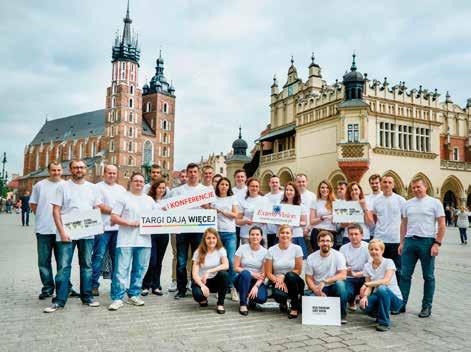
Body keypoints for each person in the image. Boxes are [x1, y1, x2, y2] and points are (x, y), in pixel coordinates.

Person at [45, 160, 103, 313]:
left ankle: (87, 297)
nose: (79, 170)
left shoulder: (93, 188)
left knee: (87, 266)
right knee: (64, 267)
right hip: (67, 233)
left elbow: (96, 209)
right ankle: (59, 300)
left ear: (86, 170)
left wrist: (97, 226)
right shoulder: (62, 186)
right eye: (76, 167)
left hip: (87, 232)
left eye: (82, 167)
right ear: (70, 169)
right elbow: (56, 211)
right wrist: (62, 231)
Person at [399, 176, 445, 318]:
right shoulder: (407, 203)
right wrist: (402, 243)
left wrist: (437, 243)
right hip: (410, 242)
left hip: (427, 242)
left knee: (428, 276)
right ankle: (401, 304)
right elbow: (404, 224)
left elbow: (442, 224)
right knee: (404, 275)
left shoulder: (435, 203)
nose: (416, 189)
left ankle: (426, 307)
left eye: (418, 187)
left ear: (425, 187)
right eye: (413, 187)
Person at [108, 172, 155, 310]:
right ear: (131, 182)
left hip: (144, 241)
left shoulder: (149, 200)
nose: (139, 183)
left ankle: (134, 294)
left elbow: (159, 217)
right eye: (136, 181)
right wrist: (129, 223)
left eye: (141, 181)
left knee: (140, 269)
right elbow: (114, 217)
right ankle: (117, 298)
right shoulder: (123, 198)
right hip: (126, 240)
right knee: (121, 270)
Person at [172, 163, 210, 299]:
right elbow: (171, 209)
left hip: (199, 230)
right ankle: (181, 289)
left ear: (198, 174)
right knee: (181, 260)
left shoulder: (205, 190)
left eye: (195, 172)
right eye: (190, 172)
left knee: (197, 260)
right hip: (182, 229)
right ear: (186, 174)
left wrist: (207, 206)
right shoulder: (178, 191)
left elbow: (211, 210)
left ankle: (196, 286)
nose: (193, 174)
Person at [29, 161, 65, 299]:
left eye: (58, 170)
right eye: (53, 170)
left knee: (63, 263)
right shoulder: (40, 185)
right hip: (43, 230)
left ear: (62, 171)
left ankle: (64, 288)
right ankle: (48, 288)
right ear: (48, 171)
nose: (56, 173)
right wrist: (42, 216)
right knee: (44, 262)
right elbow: (33, 204)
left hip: (61, 230)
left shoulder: (65, 185)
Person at [91, 165, 126, 296]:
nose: (111, 175)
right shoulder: (97, 187)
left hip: (118, 229)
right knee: (98, 257)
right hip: (102, 228)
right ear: (104, 174)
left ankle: (116, 286)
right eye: (109, 173)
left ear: (117, 175)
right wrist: (116, 212)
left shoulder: (121, 189)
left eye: (114, 173)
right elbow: (98, 205)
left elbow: (125, 206)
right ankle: (93, 285)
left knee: (116, 258)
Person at [359, 239, 403, 332]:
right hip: (379, 296)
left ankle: (384, 323)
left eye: (376, 249)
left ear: (382, 251)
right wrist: (365, 297)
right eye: (371, 249)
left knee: (382, 288)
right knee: (364, 305)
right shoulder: (367, 266)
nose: (373, 251)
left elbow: (386, 281)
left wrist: (367, 284)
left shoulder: (389, 262)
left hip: (395, 300)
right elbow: (369, 287)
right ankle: (379, 314)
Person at [305, 230, 348, 324]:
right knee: (306, 298)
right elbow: (308, 277)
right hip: (318, 289)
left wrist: (325, 281)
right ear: (318, 243)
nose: (325, 243)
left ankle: (342, 314)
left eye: (328, 241)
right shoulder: (311, 257)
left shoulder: (339, 255)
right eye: (322, 241)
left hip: (333, 287)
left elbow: (343, 275)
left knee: (340, 285)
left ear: (332, 243)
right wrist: (316, 290)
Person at [369, 175, 406, 283]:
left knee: (398, 269)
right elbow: (375, 218)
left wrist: (403, 241)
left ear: (393, 185)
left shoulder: (400, 200)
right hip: (380, 241)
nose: (387, 184)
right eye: (384, 182)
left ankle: (397, 295)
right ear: (381, 184)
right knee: (379, 268)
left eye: (390, 182)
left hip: (396, 240)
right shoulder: (376, 201)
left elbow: (405, 221)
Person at [265, 225, 304, 319]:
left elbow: (298, 270)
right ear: (278, 235)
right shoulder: (271, 250)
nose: (285, 235)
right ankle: (284, 302)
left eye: (287, 233)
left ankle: (294, 308)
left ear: (291, 235)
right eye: (282, 233)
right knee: (279, 295)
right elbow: (268, 273)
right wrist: (278, 280)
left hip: (294, 280)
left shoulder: (297, 248)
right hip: (277, 280)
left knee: (290, 275)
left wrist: (284, 276)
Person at [211, 177, 239, 301]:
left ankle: (233, 288)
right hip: (216, 233)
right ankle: (220, 288)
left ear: (229, 187)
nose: (224, 186)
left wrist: (221, 211)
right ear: (218, 186)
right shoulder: (213, 198)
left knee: (231, 261)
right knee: (218, 261)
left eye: (226, 184)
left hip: (230, 233)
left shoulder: (232, 198)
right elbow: (208, 210)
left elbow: (235, 215)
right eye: (222, 184)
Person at [191, 228, 229, 314]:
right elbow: (194, 274)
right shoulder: (198, 252)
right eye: (208, 238)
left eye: (213, 238)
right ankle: (203, 299)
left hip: (215, 280)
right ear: (204, 239)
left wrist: (209, 271)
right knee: (198, 295)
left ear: (217, 239)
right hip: (202, 281)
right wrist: (202, 286)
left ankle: (220, 304)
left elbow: (226, 265)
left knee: (224, 274)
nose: (211, 240)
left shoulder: (221, 250)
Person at [142, 178, 170, 296]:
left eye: (163, 188)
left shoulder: (168, 201)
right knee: (152, 261)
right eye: (159, 188)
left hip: (164, 234)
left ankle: (156, 285)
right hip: (152, 234)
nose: (161, 190)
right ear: (154, 188)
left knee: (159, 261)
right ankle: (145, 285)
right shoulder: (149, 200)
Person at [233, 226, 268, 315]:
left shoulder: (265, 252)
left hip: (256, 281)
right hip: (241, 279)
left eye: (257, 234)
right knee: (245, 274)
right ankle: (243, 304)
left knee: (261, 298)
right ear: (249, 236)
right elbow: (235, 267)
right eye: (252, 234)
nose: (255, 237)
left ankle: (251, 300)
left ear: (261, 237)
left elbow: (263, 274)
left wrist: (256, 286)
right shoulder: (242, 248)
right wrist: (251, 273)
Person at [340, 224, 370, 310]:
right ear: (348, 235)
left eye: (356, 234)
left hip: (365, 277)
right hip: (349, 277)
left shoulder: (368, 247)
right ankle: (351, 300)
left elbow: (371, 269)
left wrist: (356, 274)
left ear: (362, 235)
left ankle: (364, 301)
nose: (353, 236)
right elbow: (341, 267)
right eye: (351, 234)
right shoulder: (343, 248)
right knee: (346, 293)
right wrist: (347, 271)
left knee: (367, 290)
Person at [280, 181, 308, 258]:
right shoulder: (280, 205)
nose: (288, 192)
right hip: (283, 236)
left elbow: (304, 222)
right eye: (287, 190)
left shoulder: (301, 206)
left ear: (295, 192)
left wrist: (292, 222)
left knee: (298, 259)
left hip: (296, 236)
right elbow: (276, 221)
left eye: (291, 190)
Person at [237, 177, 267, 246]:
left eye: (256, 186)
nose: (254, 188)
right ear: (248, 187)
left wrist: (264, 220)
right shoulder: (243, 200)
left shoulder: (265, 200)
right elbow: (237, 221)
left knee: (262, 256)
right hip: (246, 235)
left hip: (261, 235)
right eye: (252, 186)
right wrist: (246, 221)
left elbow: (269, 218)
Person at [310, 180, 337, 251]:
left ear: (330, 189)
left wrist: (334, 219)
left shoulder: (335, 202)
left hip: (331, 232)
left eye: (327, 187)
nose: (325, 190)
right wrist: (323, 218)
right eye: (322, 187)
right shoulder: (315, 202)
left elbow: (338, 221)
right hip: (317, 232)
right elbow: (312, 221)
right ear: (319, 189)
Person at [295, 173, 316, 252]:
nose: (301, 184)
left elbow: (314, 215)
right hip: (295, 232)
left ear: (307, 182)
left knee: (308, 254)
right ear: (295, 182)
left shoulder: (312, 196)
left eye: (303, 181)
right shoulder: (292, 195)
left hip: (309, 232)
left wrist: (308, 229)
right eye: (299, 182)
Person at [264, 175, 283, 248]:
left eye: (276, 182)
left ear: (279, 183)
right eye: (273, 182)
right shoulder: (265, 197)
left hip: (280, 230)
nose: (274, 184)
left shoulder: (284, 195)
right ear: (269, 183)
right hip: (268, 230)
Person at [232, 169, 248, 248]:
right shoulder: (231, 191)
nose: (240, 179)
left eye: (242, 177)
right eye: (238, 177)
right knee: (235, 249)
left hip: (247, 225)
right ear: (234, 178)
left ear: (245, 178)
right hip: (234, 225)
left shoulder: (249, 190)